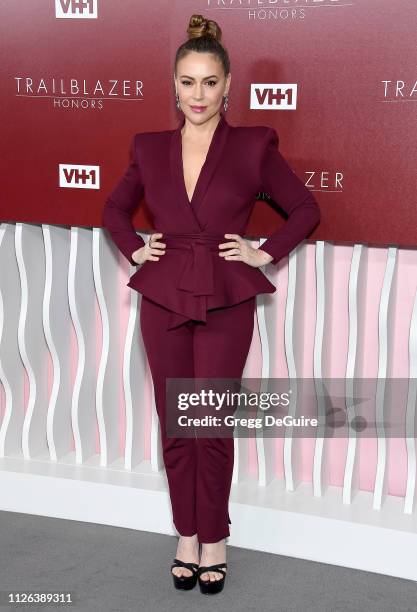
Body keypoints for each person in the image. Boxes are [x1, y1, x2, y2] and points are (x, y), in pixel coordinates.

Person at [102, 13, 321, 596]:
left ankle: (216, 537)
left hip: (225, 296)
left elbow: (304, 209)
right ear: (173, 86)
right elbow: (113, 212)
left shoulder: (253, 146)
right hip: (164, 293)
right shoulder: (149, 149)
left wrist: (263, 252)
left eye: (209, 82)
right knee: (177, 424)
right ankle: (186, 536)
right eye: (187, 81)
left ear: (228, 87)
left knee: (209, 424)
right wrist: (135, 248)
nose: (197, 94)